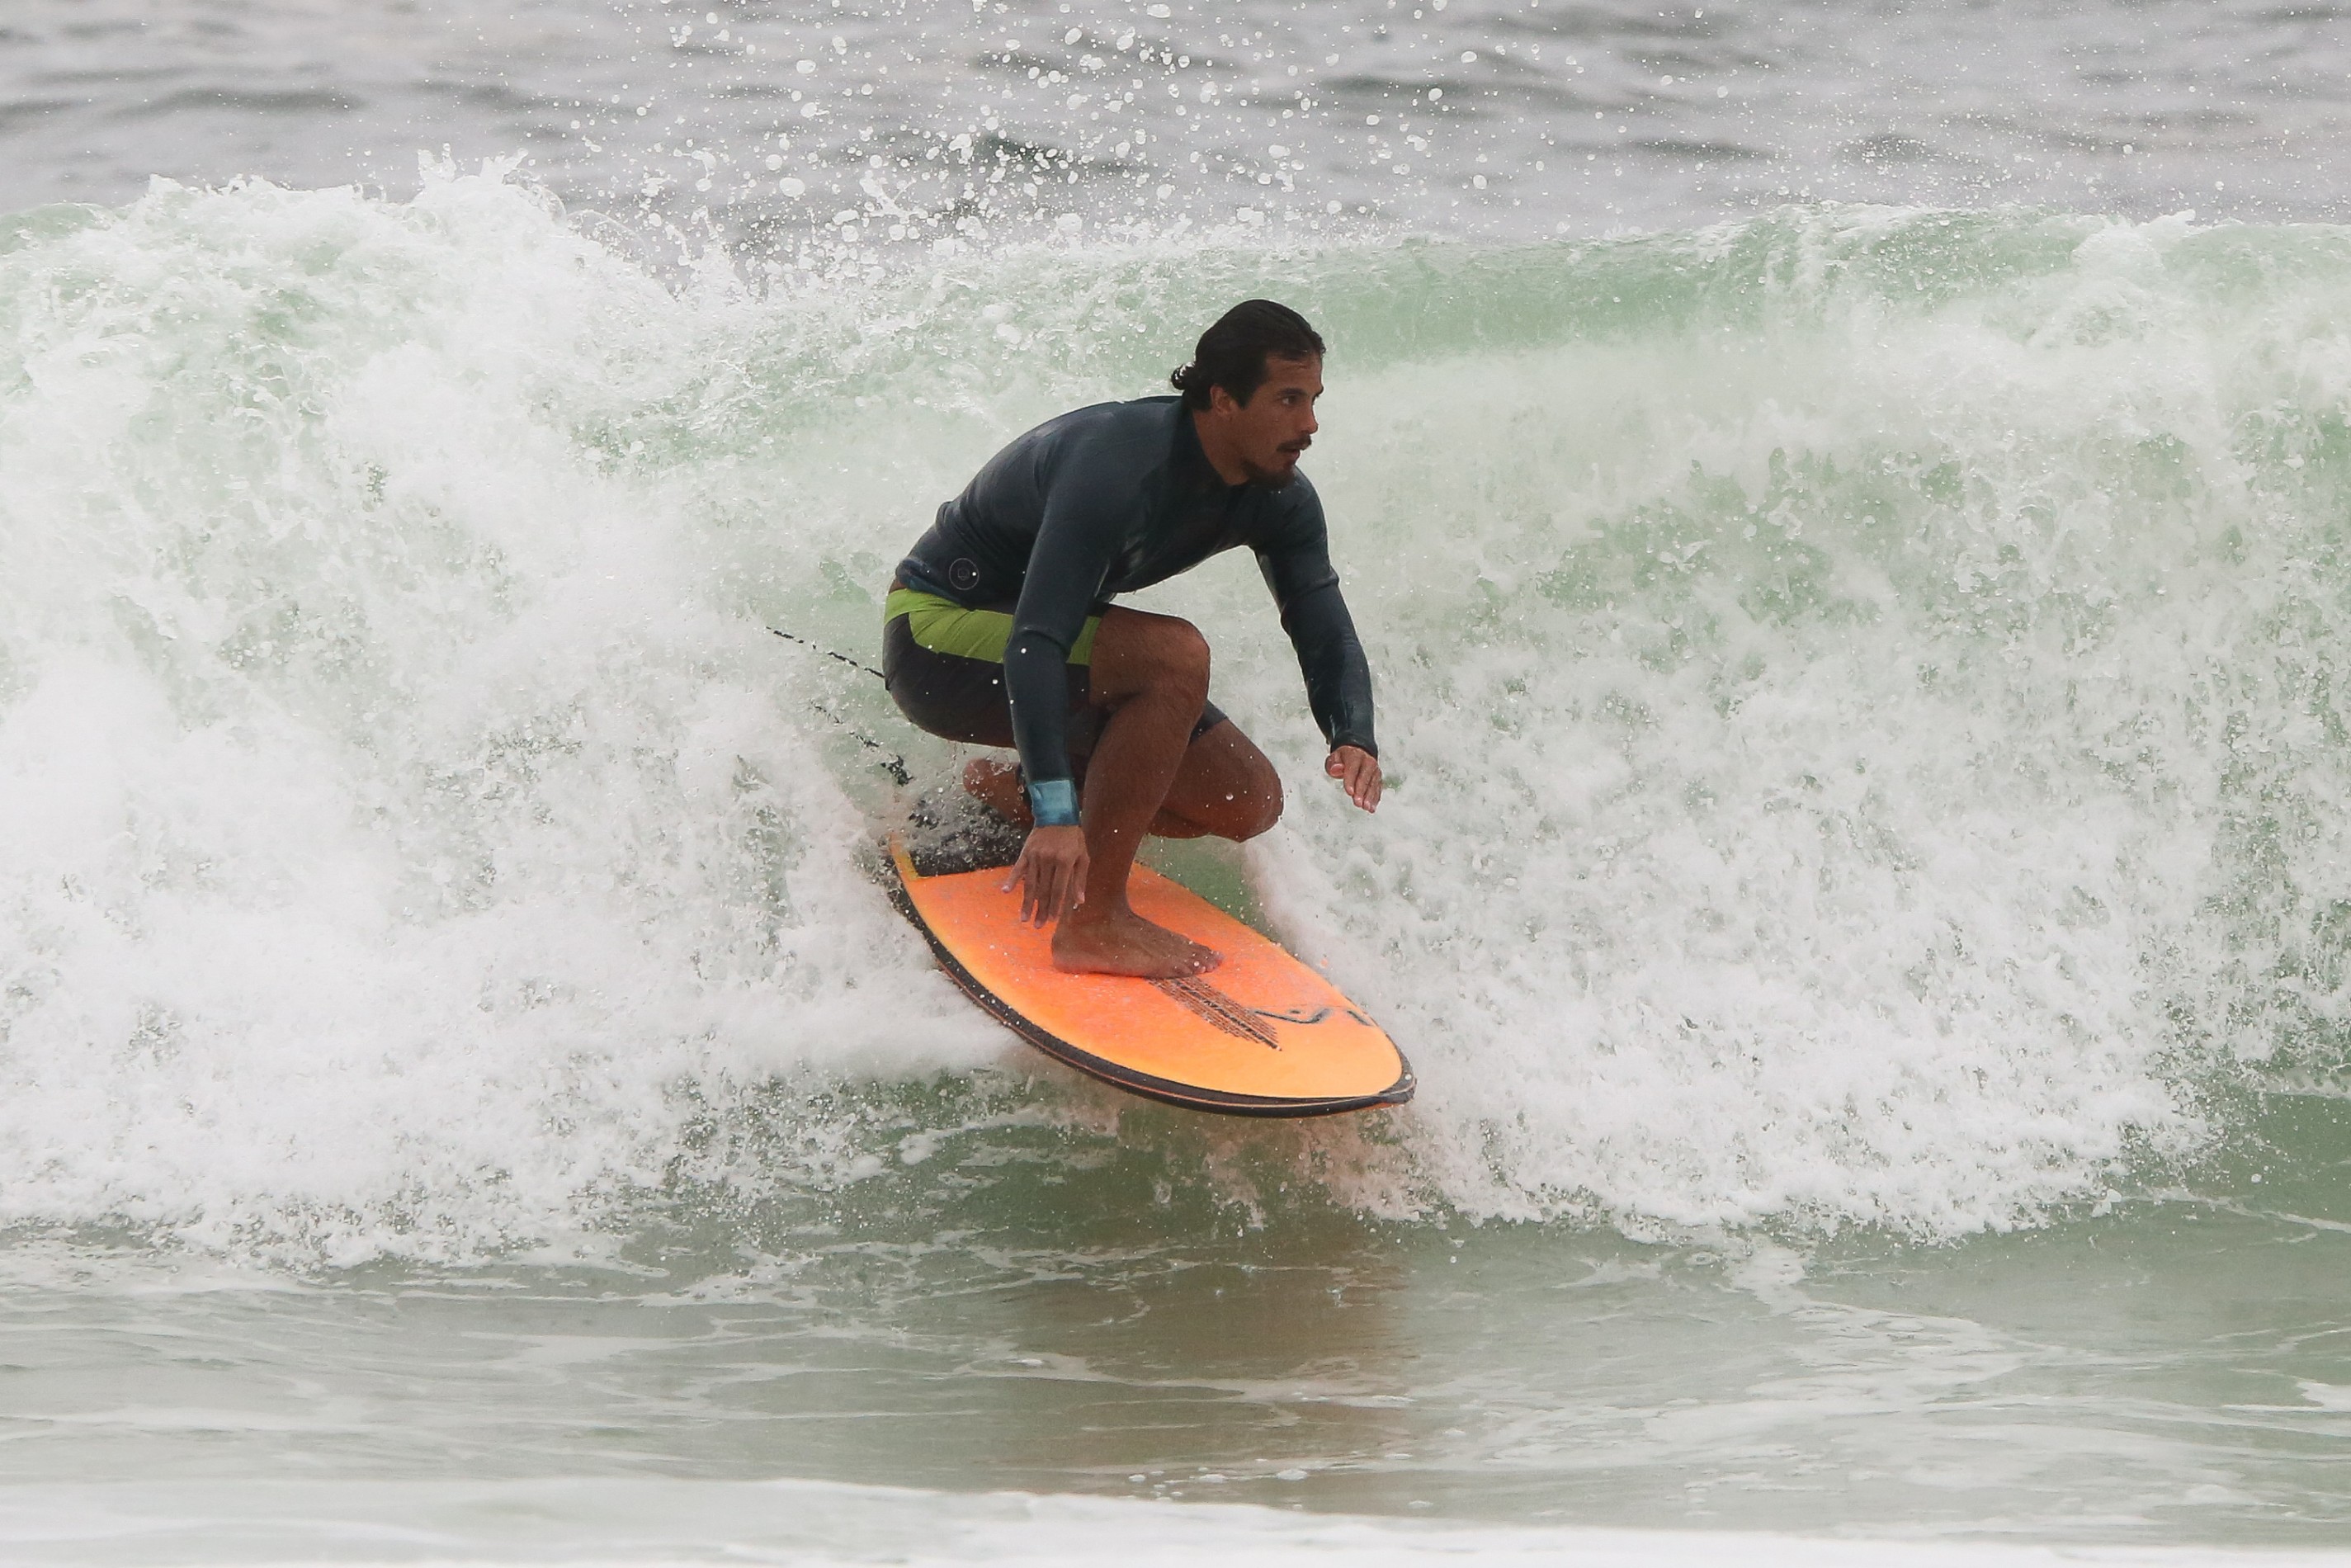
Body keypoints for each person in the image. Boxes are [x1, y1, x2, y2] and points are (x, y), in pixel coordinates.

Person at [880, 300, 1381, 979]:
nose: (1308, 424)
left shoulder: (1277, 497)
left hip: (1042, 652)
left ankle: (1005, 791)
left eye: (1313, 399)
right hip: (939, 639)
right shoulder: (1115, 466)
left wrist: (1351, 732)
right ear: (1222, 399)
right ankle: (1093, 922)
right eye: (1287, 399)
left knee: (1245, 801)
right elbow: (1035, 641)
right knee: (1174, 656)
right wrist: (1063, 818)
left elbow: (1317, 613)